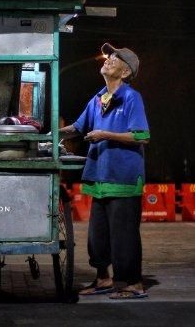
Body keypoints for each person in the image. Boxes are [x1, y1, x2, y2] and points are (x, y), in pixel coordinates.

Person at [59, 43, 150, 300]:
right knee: (97, 236)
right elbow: (77, 127)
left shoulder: (131, 98)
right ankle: (104, 278)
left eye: (116, 57)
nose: (109, 58)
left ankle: (132, 283)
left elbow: (142, 136)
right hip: (100, 177)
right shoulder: (98, 99)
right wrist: (48, 133)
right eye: (109, 55)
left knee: (124, 236)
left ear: (125, 72)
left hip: (123, 178)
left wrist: (105, 135)